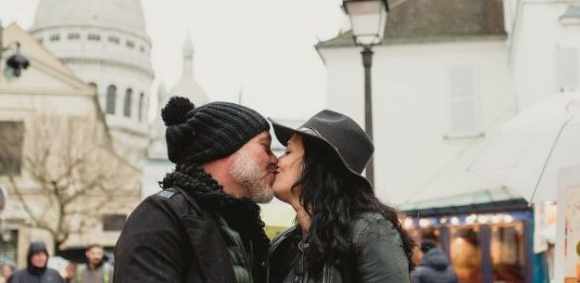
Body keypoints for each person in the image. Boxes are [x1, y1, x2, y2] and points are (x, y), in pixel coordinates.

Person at [114, 96, 277, 282]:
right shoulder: (159, 216)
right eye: (266, 147)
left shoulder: (245, 228)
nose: (275, 160)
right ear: (226, 147)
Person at [267, 110, 414, 282]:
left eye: (288, 152)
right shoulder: (282, 246)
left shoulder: (369, 232)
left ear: (317, 165)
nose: (277, 161)